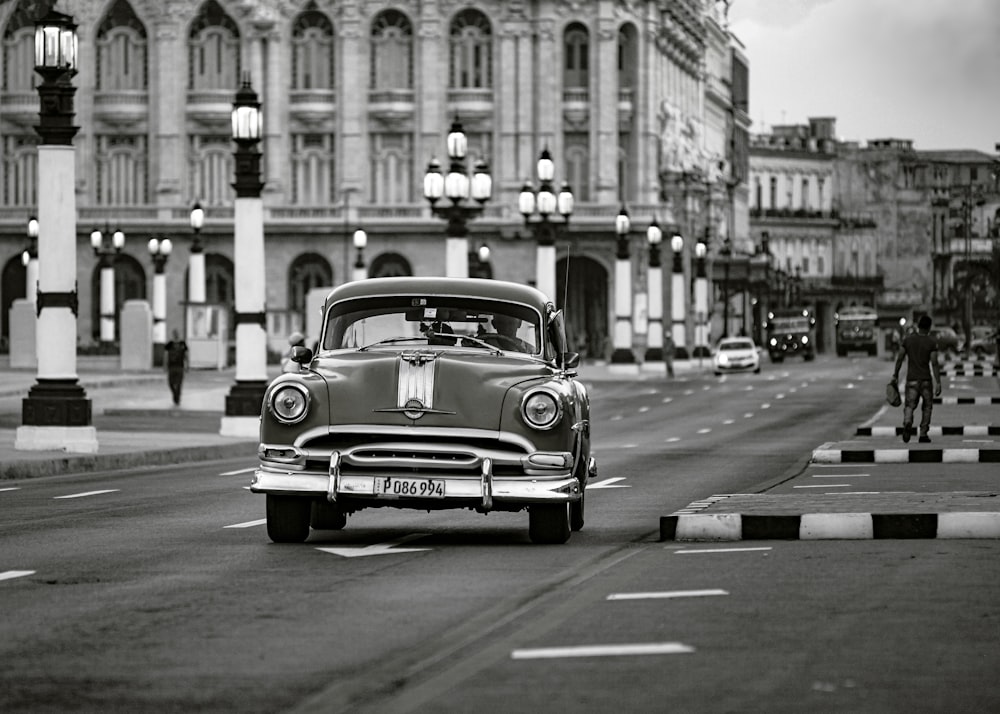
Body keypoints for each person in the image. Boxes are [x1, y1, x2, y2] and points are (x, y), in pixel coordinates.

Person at [892, 314, 941, 443]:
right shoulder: (931, 342)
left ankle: (908, 421)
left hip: (912, 379)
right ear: (929, 327)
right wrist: (938, 382)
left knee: (909, 405)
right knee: (927, 406)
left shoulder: (908, 340)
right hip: (926, 379)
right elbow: (934, 362)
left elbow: (900, 358)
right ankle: (923, 433)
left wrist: (895, 375)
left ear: (918, 326)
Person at [163, 329, 189, 406]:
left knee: (179, 383)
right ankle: (175, 394)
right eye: (175, 334)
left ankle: (177, 398)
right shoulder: (169, 344)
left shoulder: (183, 344)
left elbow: (186, 355)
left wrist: (187, 365)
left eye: (177, 334)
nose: (176, 335)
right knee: (170, 383)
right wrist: (164, 365)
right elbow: (165, 355)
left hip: (180, 366)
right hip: (171, 366)